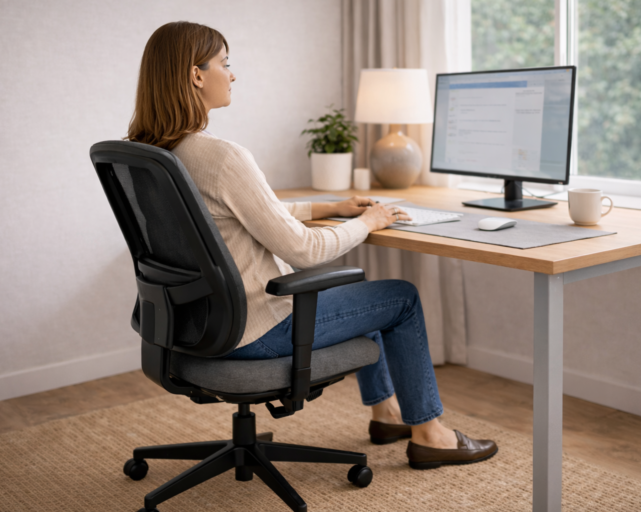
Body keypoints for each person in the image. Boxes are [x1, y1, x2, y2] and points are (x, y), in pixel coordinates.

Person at [126, 21, 497, 470]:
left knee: (366, 300)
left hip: (193, 328)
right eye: (226, 63)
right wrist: (368, 221)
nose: (233, 74)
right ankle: (431, 436)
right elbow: (302, 250)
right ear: (195, 75)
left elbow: (248, 214)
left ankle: (387, 414)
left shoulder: (152, 155)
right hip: (254, 331)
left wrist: (332, 208)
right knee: (399, 298)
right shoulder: (222, 157)